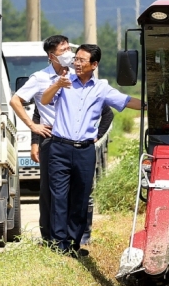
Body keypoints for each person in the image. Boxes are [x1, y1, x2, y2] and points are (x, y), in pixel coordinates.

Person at [41, 44, 142, 257]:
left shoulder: (101, 88)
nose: (77, 63)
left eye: (82, 60)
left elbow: (126, 101)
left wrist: (156, 105)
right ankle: (59, 243)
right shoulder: (63, 81)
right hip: (59, 147)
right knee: (59, 196)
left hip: (85, 151)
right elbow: (45, 99)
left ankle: (73, 243)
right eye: (76, 59)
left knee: (81, 197)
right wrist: (57, 84)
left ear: (94, 65)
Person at [9, 35, 73, 242]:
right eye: (63, 51)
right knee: (51, 191)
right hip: (52, 139)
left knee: (75, 190)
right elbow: (15, 100)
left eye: (69, 48)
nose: (68, 54)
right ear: (52, 56)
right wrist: (32, 126)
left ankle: (72, 236)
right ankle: (50, 237)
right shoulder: (40, 78)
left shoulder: (77, 75)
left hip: (75, 139)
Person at [29, 98, 114, 245]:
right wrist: (35, 142)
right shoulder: (51, 88)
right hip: (50, 142)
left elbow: (107, 113)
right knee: (49, 192)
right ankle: (50, 238)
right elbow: (38, 115)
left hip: (78, 146)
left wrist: (97, 135)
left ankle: (78, 237)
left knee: (79, 192)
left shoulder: (84, 91)